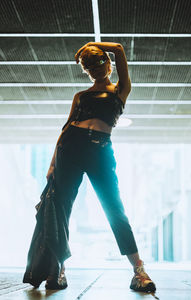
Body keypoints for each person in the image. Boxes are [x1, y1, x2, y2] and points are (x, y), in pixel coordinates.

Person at [26, 42, 156, 292]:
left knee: (115, 210)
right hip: (69, 149)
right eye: (90, 67)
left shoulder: (120, 89)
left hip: (100, 151)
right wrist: (53, 163)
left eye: (99, 64)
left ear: (108, 65)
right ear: (86, 71)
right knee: (61, 211)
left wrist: (90, 45)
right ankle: (58, 269)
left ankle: (139, 271)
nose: (96, 70)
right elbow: (65, 129)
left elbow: (118, 48)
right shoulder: (80, 96)